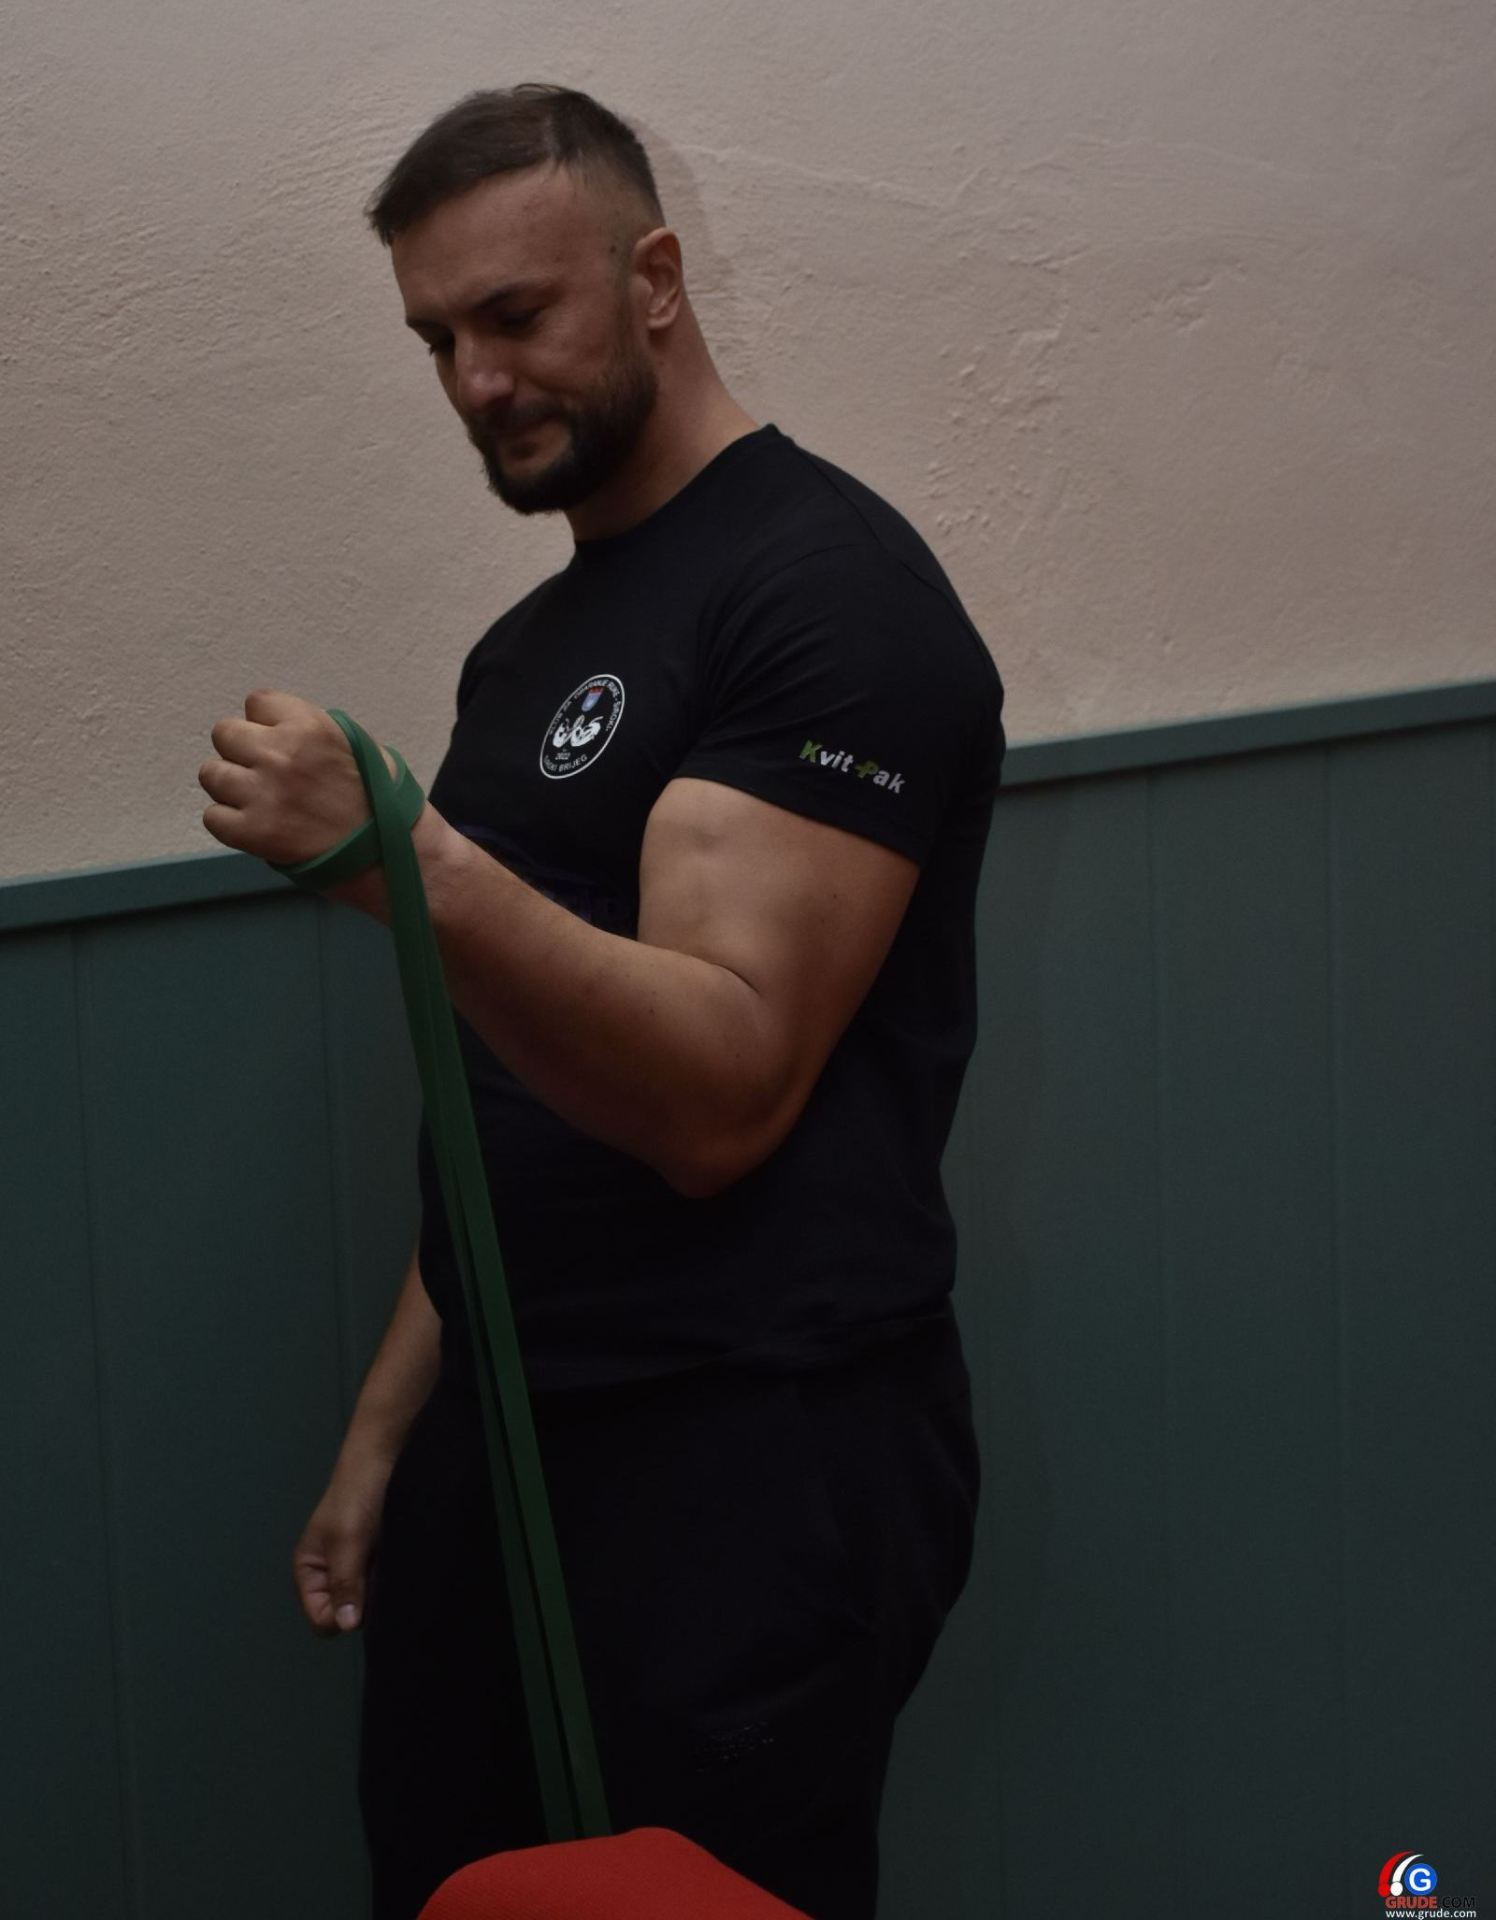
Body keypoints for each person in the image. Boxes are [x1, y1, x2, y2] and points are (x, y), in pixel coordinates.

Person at [199, 83, 1005, 1920]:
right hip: (511, 1433)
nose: (476, 381)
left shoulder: (828, 595)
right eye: (436, 340)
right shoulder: (528, 649)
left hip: (749, 1443)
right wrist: (391, 1432)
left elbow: (718, 1093)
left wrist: (407, 852)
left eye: (514, 314)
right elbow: (520, 1085)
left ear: (653, 279)